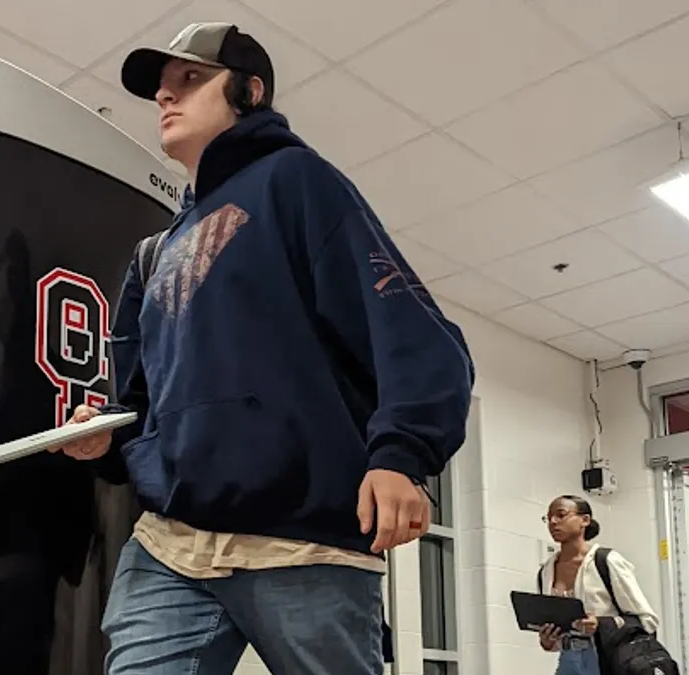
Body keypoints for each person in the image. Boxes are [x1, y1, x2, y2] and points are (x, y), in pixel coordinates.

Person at [51, 21, 475, 675]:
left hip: (302, 538)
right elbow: (140, 402)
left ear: (250, 92)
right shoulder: (155, 254)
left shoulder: (296, 181)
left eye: (190, 79)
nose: (166, 96)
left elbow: (417, 335)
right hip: (171, 542)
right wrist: (104, 438)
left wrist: (401, 452)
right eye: (162, 87)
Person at [536, 495, 660, 675]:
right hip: (568, 658)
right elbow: (554, 636)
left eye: (561, 515)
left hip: (609, 659)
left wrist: (600, 624)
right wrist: (548, 641)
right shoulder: (545, 571)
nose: (553, 522)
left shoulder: (605, 561)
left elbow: (648, 621)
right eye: (548, 518)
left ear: (584, 520)